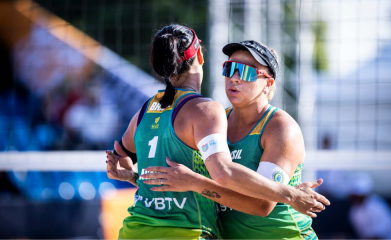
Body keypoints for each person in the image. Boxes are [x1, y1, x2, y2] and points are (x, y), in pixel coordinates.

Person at [106, 24, 329, 239]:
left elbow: (261, 205)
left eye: (246, 72)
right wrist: (138, 178)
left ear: (268, 84)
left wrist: (290, 196)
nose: (234, 77)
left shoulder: (280, 127)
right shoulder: (213, 120)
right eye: (229, 68)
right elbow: (188, 184)